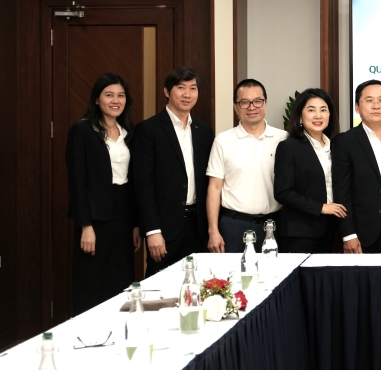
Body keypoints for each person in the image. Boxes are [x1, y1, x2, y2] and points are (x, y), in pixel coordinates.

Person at [66, 73, 141, 314]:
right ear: (97, 100)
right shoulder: (82, 130)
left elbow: (133, 181)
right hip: (95, 216)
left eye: (121, 95)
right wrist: (85, 226)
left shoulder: (129, 132)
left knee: (120, 279)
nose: (116, 100)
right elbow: (77, 182)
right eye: (109, 95)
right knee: (92, 281)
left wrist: (135, 224)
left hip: (123, 213)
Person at [131, 67, 214, 276]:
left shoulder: (204, 130)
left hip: (198, 227)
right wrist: (152, 230)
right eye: (181, 88)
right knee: (161, 286)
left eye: (193, 88)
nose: (187, 94)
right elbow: (143, 185)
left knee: (198, 284)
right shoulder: (148, 129)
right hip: (164, 229)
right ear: (167, 91)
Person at [206, 79, 287, 253]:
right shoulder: (223, 140)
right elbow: (214, 187)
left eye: (257, 101)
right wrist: (213, 230)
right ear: (236, 107)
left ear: (266, 103)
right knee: (235, 271)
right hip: (234, 226)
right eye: (244, 102)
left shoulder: (283, 139)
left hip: (275, 225)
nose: (252, 107)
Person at [332, 80, 381, 253]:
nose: (376, 105)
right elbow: (341, 191)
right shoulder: (344, 142)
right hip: (362, 235)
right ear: (357, 107)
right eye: (369, 100)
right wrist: (348, 234)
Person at [274, 88, 347, 253]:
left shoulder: (336, 147)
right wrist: (321, 207)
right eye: (311, 110)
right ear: (300, 116)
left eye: (323, 110)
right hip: (300, 233)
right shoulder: (289, 147)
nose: (318, 116)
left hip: (331, 230)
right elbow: (283, 192)